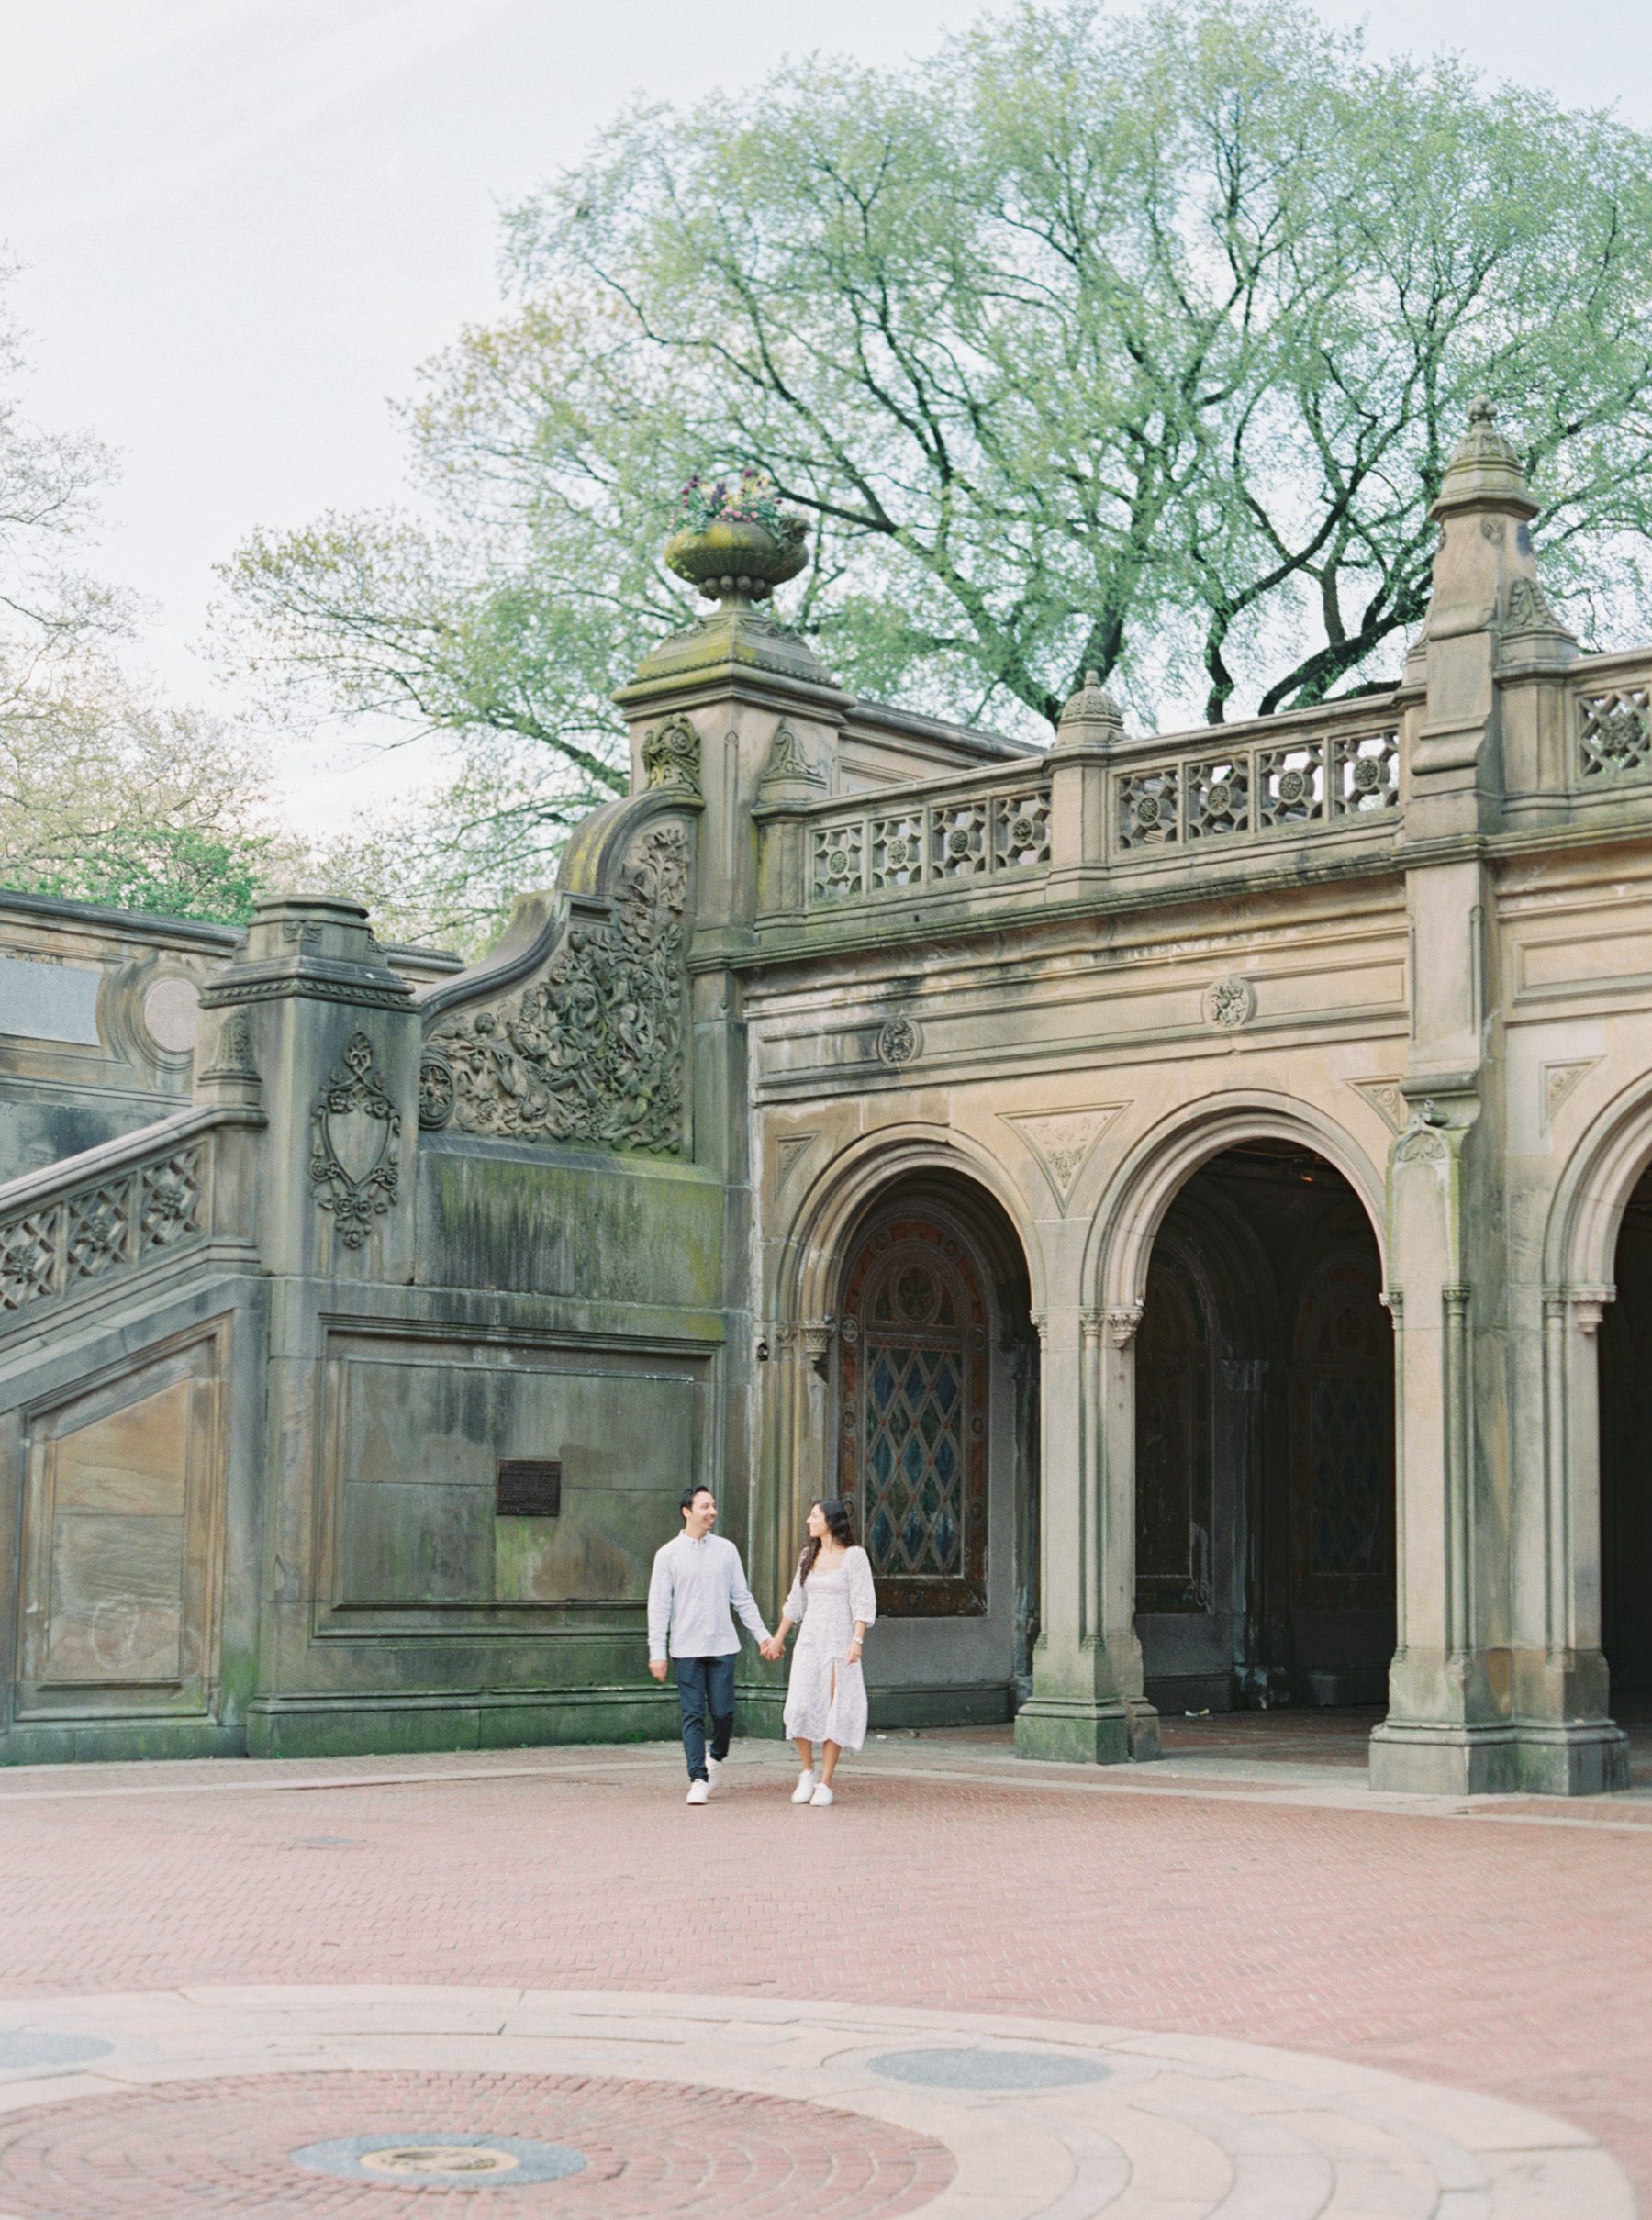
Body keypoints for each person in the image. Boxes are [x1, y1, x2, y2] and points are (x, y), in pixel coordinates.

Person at [647, 1483, 772, 1805]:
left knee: (724, 1712)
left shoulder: (727, 1550)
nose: (712, 1512)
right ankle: (698, 1778)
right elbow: (659, 1607)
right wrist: (657, 1652)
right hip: (686, 1648)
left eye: (713, 1506)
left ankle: (716, 1755)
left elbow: (742, 1599)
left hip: (722, 1645)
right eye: (704, 1506)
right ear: (686, 1511)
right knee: (692, 1714)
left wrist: (763, 1637)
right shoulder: (667, 1555)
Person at [766, 1498, 876, 1808]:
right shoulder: (807, 1557)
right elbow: (795, 1603)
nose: (808, 1520)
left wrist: (857, 1640)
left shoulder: (854, 1557)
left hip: (839, 1643)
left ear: (831, 1520)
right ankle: (807, 1772)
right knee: (798, 1707)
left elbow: (863, 1601)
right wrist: (778, 1639)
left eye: (814, 1515)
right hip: (810, 1643)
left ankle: (826, 1782)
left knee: (834, 1710)